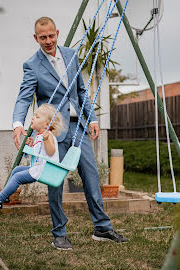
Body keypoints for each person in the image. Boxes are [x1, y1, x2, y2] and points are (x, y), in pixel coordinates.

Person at [12, 16, 128, 250]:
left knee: (91, 175)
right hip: (53, 131)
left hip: (79, 127)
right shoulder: (32, 65)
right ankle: (59, 233)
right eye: (42, 37)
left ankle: (102, 228)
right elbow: (24, 96)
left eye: (51, 35)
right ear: (36, 38)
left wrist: (92, 118)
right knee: (54, 181)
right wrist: (17, 123)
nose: (48, 41)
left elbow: (82, 91)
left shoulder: (71, 55)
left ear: (57, 33)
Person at [0, 104, 64, 209]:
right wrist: (31, 145)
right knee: (16, 170)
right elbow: (39, 153)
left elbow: (51, 152)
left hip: (44, 171)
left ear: (46, 125)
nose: (33, 118)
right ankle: (5, 196)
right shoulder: (39, 136)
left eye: (37, 117)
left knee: (17, 177)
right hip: (39, 168)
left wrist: (47, 140)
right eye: (34, 115)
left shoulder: (48, 136)